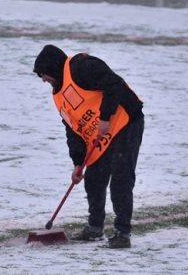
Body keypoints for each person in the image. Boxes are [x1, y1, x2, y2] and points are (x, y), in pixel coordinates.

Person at [33, 45, 144, 249]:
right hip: (101, 135)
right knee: (93, 179)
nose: (43, 80)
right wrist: (78, 163)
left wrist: (105, 116)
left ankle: (122, 233)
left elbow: (115, 84)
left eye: (44, 74)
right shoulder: (58, 97)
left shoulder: (81, 67)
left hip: (125, 121)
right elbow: (73, 131)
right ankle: (95, 228)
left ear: (52, 67)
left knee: (121, 177)